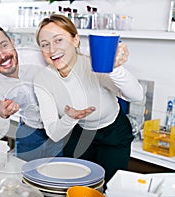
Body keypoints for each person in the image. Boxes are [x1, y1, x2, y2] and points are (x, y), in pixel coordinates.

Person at [33, 14, 144, 184]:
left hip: (113, 133)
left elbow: (136, 95)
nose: (52, 50)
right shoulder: (42, 79)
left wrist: (114, 68)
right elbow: (54, 133)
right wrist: (71, 117)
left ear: (75, 39)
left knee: (109, 188)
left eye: (58, 40)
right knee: (76, 185)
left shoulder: (94, 64)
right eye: (45, 44)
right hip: (79, 134)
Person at [0, 24, 65, 161]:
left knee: (62, 176)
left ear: (12, 42)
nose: (2, 55)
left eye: (4, 46)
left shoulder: (38, 57)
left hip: (62, 126)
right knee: (25, 176)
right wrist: (0, 115)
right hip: (29, 131)